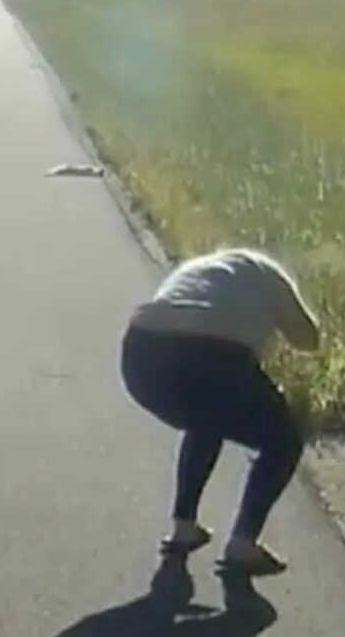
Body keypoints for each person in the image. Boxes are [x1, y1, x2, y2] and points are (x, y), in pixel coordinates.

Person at [120, 247, 320, 576]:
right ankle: (243, 544)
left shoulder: (196, 269)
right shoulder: (269, 275)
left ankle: (184, 526)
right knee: (284, 441)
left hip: (140, 352)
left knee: (206, 416)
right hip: (214, 354)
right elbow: (308, 339)